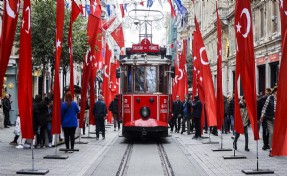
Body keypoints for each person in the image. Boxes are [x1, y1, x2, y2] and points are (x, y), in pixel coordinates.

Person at [261, 86, 277, 157]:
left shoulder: (281, 98)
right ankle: (271, 149)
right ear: (274, 91)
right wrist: (262, 115)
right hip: (269, 118)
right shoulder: (270, 98)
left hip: (277, 120)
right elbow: (265, 107)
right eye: (276, 91)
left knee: (277, 134)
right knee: (271, 132)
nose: (277, 92)